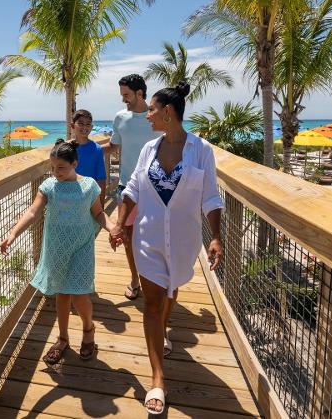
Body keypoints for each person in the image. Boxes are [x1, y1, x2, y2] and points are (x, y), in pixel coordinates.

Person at [110, 82, 224, 415]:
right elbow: (131, 188)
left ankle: (161, 332)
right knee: (153, 302)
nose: (148, 116)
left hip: (184, 242)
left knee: (170, 294)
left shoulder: (201, 150)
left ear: (168, 113)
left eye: (152, 110)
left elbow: (211, 196)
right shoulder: (149, 149)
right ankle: (157, 379)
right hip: (147, 238)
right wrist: (118, 222)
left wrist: (215, 236)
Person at [0, 139, 115, 364]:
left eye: (61, 167)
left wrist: (112, 228)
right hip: (56, 246)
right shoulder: (49, 186)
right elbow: (33, 212)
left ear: (74, 163)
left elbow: (99, 214)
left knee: (80, 294)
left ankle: (88, 329)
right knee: (62, 294)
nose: (56, 172)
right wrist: (13, 233)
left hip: (82, 245)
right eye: (52, 168)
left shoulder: (89, 185)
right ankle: (62, 338)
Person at [101, 74, 159, 301]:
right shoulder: (120, 117)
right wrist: (81, 149)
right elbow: (114, 146)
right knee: (127, 236)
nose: (123, 99)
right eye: (122, 95)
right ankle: (135, 280)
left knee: (154, 238)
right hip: (127, 188)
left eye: (126, 95)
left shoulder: (157, 117)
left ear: (140, 94)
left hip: (155, 188)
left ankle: (155, 281)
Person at [70, 109, 106, 205]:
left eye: (88, 124)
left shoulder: (97, 149)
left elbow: (101, 179)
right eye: (81, 123)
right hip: (69, 197)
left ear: (92, 127)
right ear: (72, 125)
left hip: (89, 199)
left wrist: (101, 207)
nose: (84, 127)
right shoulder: (67, 148)